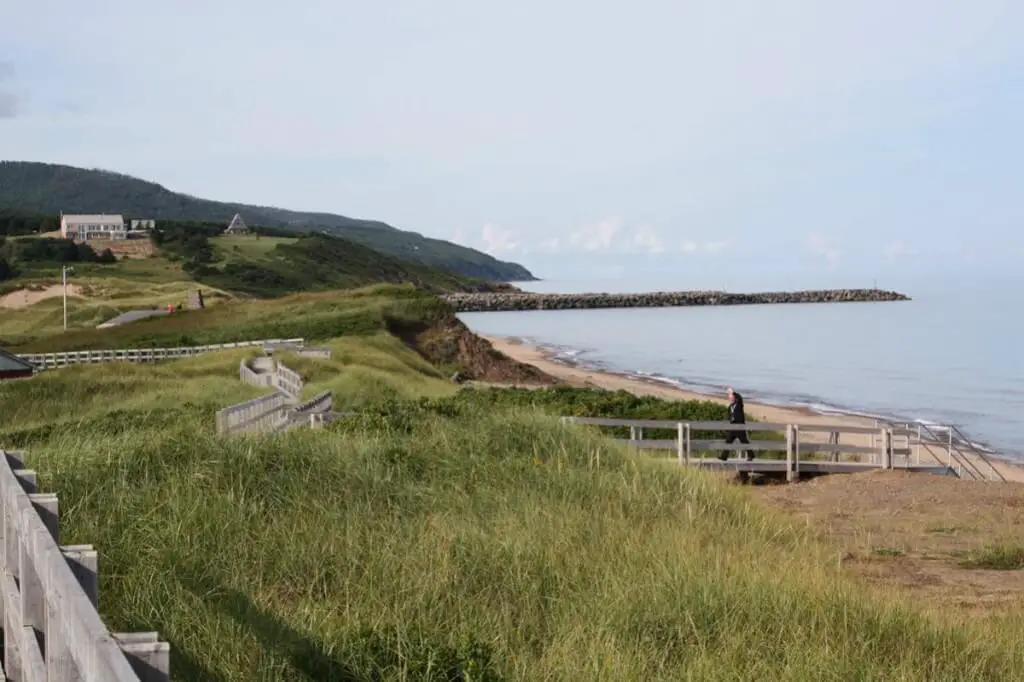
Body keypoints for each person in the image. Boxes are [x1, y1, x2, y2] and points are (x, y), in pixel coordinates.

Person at [722, 387, 755, 461]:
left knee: (744, 441)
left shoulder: (739, 404)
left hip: (739, 427)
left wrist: (732, 392)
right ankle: (724, 456)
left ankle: (751, 455)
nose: (729, 398)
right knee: (728, 441)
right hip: (733, 427)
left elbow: (739, 397)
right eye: (729, 397)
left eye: (730, 396)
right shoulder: (730, 407)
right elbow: (730, 417)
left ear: (734, 397)